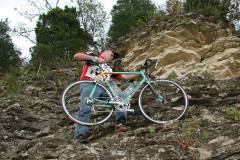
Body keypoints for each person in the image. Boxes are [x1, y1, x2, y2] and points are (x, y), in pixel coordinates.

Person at [73, 49, 139, 143]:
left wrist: (141, 73)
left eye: (113, 57)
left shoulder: (109, 68)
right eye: (111, 55)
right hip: (89, 84)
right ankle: (80, 135)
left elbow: (125, 77)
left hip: (105, 89)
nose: (112, 58)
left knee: (121, 99)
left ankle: (120, 124)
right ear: (104, 53)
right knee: (86, 107)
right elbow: (77, 56)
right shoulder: (92, 56)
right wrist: (94, 58)